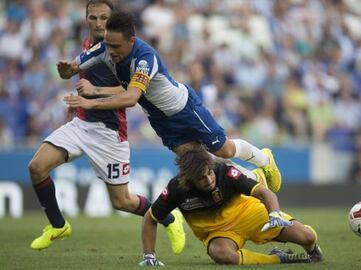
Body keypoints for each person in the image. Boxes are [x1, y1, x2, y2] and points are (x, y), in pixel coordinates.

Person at [59, 10, 282, 193]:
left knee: (222, 150)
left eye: (116, 46)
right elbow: (71, 69)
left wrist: (91, 101)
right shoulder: (103, 49)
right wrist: (66, 71)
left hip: (184, 109)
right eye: (108, 45)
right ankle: (254, 180)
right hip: (160, 120)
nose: (111, 51)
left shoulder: (145, 57)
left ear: (132, 41)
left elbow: (131, 97)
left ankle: (265, 160)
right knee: (201, 161)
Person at [28, 0, 185, 254]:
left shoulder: (119, 50)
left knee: (121, 201)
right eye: (93, 18)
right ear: (86, 19)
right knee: (36, 167)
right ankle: (58, 226)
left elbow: (130, 90)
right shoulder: (87, 45)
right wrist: (68, 81)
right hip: (81, 123)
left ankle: (169, 218)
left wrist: (93, 94)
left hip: (109, 131)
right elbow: (75, 77)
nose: (99, 24)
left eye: (104, 18)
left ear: (112, 21)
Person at [139, 147, 324, 266]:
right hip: (219, 233)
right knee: (222, 255)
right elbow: (150, 218)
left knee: (307, 237)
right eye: (202, 178)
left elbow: (264, 193)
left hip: (250, 215)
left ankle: (312, 250)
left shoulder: (225, 172)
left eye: (210, 173)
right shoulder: (176, 188)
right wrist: (149, 256)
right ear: (190, 179)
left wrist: (274, 214)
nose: (209, 179)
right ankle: (278, 258)